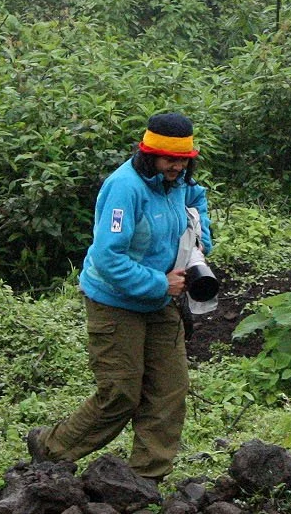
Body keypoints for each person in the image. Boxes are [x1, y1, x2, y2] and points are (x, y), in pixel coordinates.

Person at [27, 112, 212, 481]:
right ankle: (50, 449)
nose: (176, 167)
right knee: (121, 393)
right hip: (115, 301)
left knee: (169, 391)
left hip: (160, 301)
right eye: (169, 159)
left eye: (183, 160)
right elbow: (108, 257)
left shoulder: (177, 182)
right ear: (149, 155)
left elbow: (197, 199)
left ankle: (147, 478)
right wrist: (161, 284)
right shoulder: (124, 188)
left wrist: (198, 241)